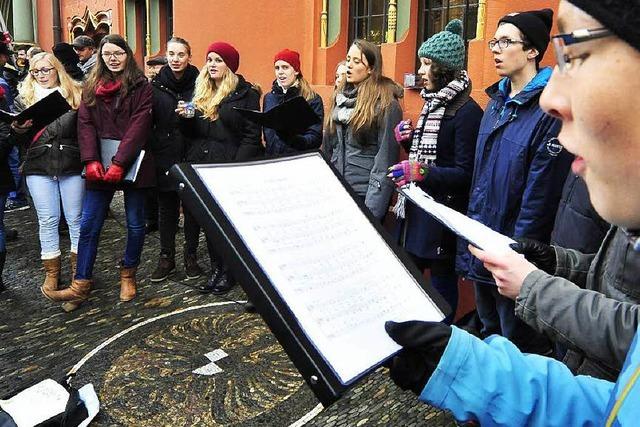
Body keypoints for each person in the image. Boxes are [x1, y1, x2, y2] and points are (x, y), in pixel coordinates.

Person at [385, 1, 640, 424]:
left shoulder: (473, 110)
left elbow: (534, 194)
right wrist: (471, 369)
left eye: (575, 55)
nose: (554, 100)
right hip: (490, 240)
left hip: (511, 249)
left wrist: (532, 277)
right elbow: (616, 406)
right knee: (488, 323)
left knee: (514, 332)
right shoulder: (493, 105)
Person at [455, 8, 572, 353]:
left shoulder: (546, 110)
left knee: (517, 340)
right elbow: (480, 179)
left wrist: (517, 256)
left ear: (532, 50)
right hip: (483, 240)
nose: (496, 49)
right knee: (489, 330)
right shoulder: (495, 103)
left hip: (513, 252)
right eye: (495, 40)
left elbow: (540, 198)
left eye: (506, 42)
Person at [43, 34, 154, 311]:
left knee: (135, 224)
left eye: (118, 53)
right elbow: (85, 123)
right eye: (107, 54)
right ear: (101, 57)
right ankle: (80, 284)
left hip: (132, 162)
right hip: (98, 163)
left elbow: (139, 126)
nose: (112, 59)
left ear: (127, 55)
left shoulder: (141, 86)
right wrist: (91, 159)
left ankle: (128, 273)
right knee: (89, 225)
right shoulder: (92, 84)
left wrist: (119, 162)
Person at [388, 20, 483, 324]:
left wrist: (421, 172)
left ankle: (443, 338)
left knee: (441, 285)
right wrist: (408, 141)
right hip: (417, 209)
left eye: (427, 63)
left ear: (445, 68)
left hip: (442, 215)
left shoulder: (467, 112)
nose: (420, 70)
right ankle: (414, 333)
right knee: (410, 277)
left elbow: (464, 173)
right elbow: (428, 153)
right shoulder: (432, 103)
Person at [178, 41, 262, 294]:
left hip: (228, 165)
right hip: (202, 164)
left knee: (227, 223)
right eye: (210, 59)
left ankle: (230, 271)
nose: (212, 65)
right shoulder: (200, 91)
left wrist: (236, 168)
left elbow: (251, 135)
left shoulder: (246, 94)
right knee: (209, 222)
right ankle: (216, 269)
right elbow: (191, 134)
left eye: (218, 60)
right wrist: (187, 119)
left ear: (230, 66)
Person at [10, 52, 84, 298]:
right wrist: (18, 129)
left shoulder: (75, 93)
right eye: (36, 71)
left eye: (46, 70)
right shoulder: (23, 99)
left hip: (71, 162)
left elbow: (85, 131)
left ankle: (78, 270)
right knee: (48, 219)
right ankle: (52, 272)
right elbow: (18, 142)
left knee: (75, 218)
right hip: (39, 164)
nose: (41, 75)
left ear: (57, 70)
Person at [323, 39, 403, 221]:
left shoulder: (386, 104)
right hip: (338, 191)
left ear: (371, 68)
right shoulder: (339, 98)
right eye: (348, 59)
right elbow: (328, 149)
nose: (349, 65)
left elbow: (385, 161)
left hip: (365, 194)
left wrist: (372, 212)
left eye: (357, 61)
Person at [148, 37, 200, 282]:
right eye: (172, 54)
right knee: (167, 208)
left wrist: (193, 116)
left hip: (192, 150)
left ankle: (191, 256)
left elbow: (208, 115)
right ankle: (166, 257)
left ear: (189, 56)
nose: (176, 59)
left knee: (192, 209)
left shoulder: (200, 83)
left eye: (181, 54)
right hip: (165, 153)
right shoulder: (156, 86)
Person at [263, 49, 323, 156]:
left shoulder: (311, 99)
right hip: (272, 160)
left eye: (285, 67)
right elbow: (268, 132)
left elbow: (315, 136)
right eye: (277, 68)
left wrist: (296, 141)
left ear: (296, 70)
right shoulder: (269, 98)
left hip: (297, 161)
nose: (280, 72)